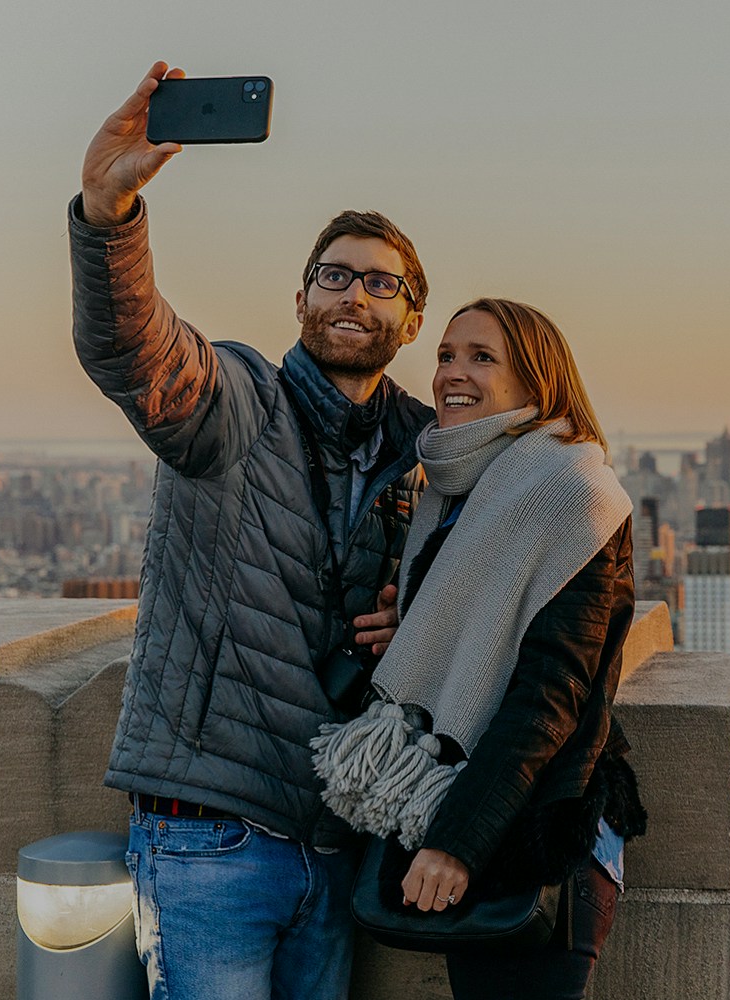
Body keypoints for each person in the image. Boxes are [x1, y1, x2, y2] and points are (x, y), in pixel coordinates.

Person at [69, 61, 430, 1000]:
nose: (355, 295)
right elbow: (139, 351)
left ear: (412, 317)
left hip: (337, 839)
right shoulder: (238, 402)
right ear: (301, 298)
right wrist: (110, 217)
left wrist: (419, 622)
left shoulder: (429, 453)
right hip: (209, 834)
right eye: (334, 275)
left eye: (380, 284)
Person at [316, 298, 648, 999]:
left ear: (536, 382)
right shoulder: (460, 489)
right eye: (444, 355)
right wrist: (415, 628)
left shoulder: (570, 492)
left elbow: (549, 697)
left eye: (481, 357)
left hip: (536, 829)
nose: (451, 374)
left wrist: (456, 844)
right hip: (477, 808)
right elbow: (479, 638)